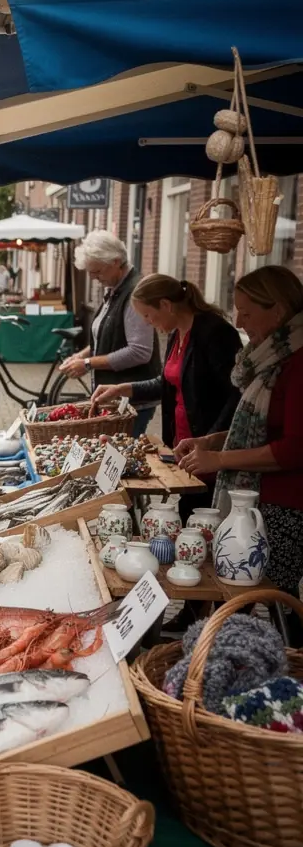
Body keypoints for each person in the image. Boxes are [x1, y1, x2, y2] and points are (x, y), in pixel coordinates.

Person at [177, 266, 303, 607]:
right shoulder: (269, 360)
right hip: (260, 502)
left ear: (276, 311)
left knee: (276, 602)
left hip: (286, 509)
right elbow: (255, 429)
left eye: (247, 312)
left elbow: (293, 449)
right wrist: (211, 441)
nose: (240, 322)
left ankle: (279, 658)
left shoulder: (297, 364)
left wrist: (218, 459)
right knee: (239, 599)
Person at [90, 274, 242, 523]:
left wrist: (211, 440)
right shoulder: (175, 333)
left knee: (203, 518)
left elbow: (235, 394)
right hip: (184, 446)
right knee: (186, 514)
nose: (148, 323)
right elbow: (168, 383)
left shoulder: (214, 333)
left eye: (149, 316)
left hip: (209, 450)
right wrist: (122, 389)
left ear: (166, 305)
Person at [59, 230, 160, 437]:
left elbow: (139, 351)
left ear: (115, 262)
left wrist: (88, 364)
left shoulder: (134, 294)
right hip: (116, 401)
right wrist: (83, 355)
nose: (94, 278)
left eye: (97, 272)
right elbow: (106, 336)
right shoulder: (114, 290)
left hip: (132, 404)